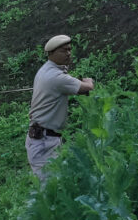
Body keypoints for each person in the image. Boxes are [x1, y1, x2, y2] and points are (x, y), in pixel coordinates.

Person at [26, 35, 94, 183]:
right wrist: (89, 81)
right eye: (64, 51)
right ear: (51, 53)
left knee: (55, 184)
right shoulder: (56, 77)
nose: (68, 53)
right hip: (44, 140)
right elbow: (86, 88)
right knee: (48, 188)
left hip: (45, 136)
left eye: (70, 49)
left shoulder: (46, 70)